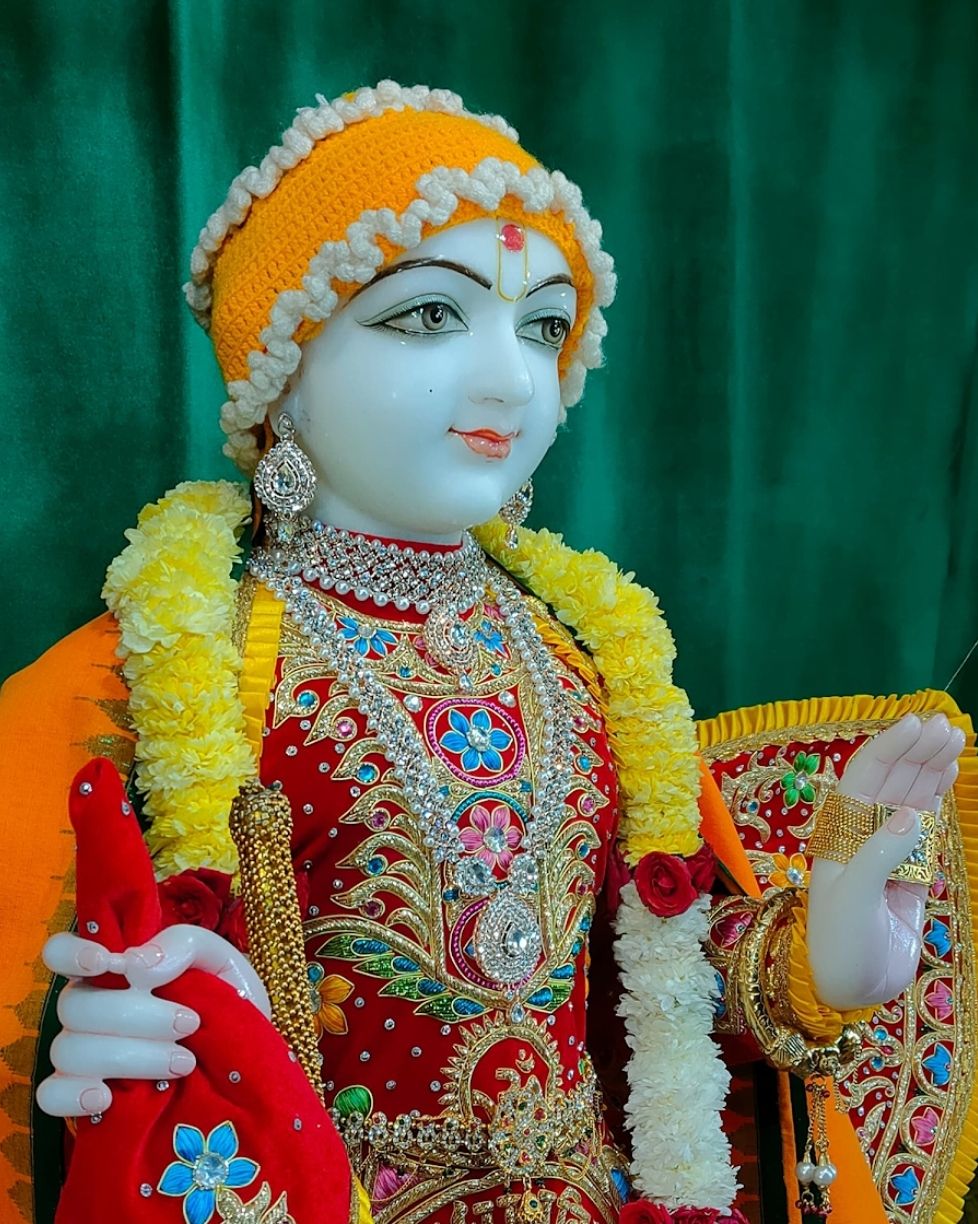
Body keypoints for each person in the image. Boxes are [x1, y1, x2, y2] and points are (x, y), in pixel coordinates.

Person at [0, 82, 964, 1224]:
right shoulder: (165, 667)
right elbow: (80, 1015)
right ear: (283, 367)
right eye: (428, 315)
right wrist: (113, 1053)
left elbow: (658, 993)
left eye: (544, 327)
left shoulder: (588, 651)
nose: (513, 379)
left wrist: (827, 954)